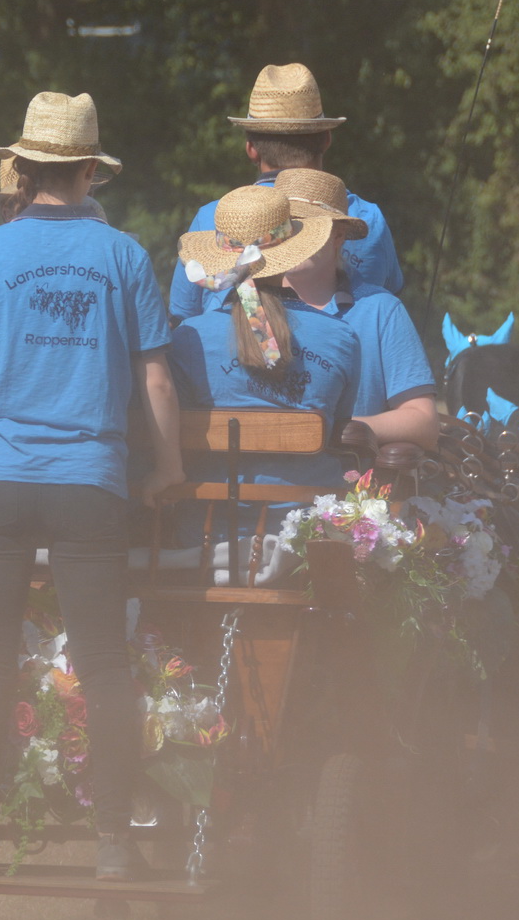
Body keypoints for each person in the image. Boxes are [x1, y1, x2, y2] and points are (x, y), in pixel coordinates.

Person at [0, 91, 183, 883]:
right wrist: (169, 466)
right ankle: (112, 839)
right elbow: (155, 379)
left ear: (22, 169)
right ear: (88, 171)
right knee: (105, 661)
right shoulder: (123, 254)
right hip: (89, 480)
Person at [169, 184, 361, 553]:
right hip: (308, 535)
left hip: (205, 534)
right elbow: (340, 426)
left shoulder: (188, 338)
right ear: (291, 253)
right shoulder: (341, 337)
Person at [169, 63, 403, 322]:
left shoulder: (210, 219)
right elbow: (387, 307)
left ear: (251, 149)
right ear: (327, 139)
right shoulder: (367, 219)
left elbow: (184, 320)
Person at [274, 169, 439, 449]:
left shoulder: (382, 310)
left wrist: (334, 430)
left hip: (348, 473)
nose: (293, 237)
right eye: (283, 226)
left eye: (307, 227)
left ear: (338, 236)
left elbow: (423, 421)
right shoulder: (243, 308)